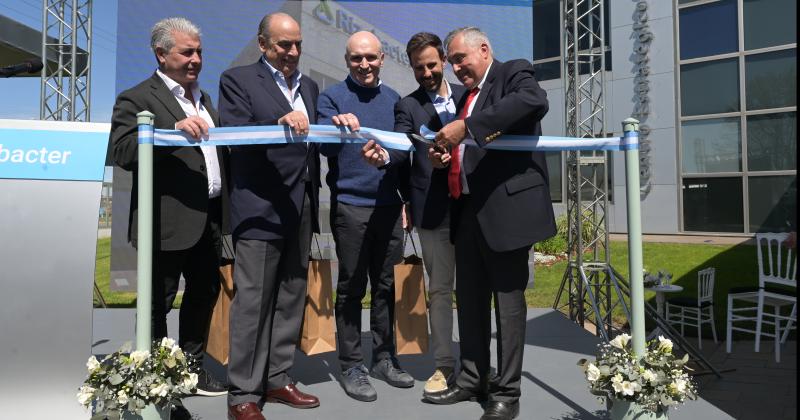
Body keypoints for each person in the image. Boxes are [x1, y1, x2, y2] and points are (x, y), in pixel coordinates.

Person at [423, 27, 556, 420]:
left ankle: (507, 394)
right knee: (471, 303)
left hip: (508, 215)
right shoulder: (465, 97)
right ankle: (471, 379)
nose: (456, 67)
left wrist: (465, 128)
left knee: (509, 309)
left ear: (484, 50)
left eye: (460, 58)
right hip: (467, 214)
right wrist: (443, 157)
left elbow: (533, 102)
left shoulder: (514, 73)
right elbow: (471, 151)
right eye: (453, 61)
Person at [109, 17, 229, 419]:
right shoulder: (137, 96)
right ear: (161, 54)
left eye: (199, 51)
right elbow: (123, 151)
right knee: (158, 305)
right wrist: (170, 129)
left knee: (204, 294)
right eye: (187, 52)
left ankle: (191, 368)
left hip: (209, 218)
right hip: (166, 222)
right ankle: (162, 381)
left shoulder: (206, 99)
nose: (196, 59)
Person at [217, 12, 321, 420]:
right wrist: (277, 122)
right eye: (283, 45)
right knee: (253, 303)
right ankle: (242, 392)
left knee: (292, 297)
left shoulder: (309, 86)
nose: (292, 52)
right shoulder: (238, 81)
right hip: (259, 209)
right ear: (263, 44)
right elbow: (237, 138)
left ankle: (277, 379)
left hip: (301, 208)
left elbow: (314, 143)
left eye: (297, 44)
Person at [317, 30, 413, 403]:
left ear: (381, 59)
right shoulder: (331, 98)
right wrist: (337, 129)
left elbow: (405, 152)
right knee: (352, 288)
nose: (364, 64)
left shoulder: (394, 100)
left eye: (371, 57)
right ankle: (352, 364)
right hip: (351, 207)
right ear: (347, 60)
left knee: (386, 286)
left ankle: (384, 358)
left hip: (389, 207)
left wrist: (390, 165)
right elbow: (321, 145)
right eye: (357, 58)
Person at [393, 32, 465, 397]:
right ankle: (443, 365)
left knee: (474, 288)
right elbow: (400, 154)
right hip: (433, 212)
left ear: (444, 62)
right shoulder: (407, 106)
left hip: (473, 210)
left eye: (432, 65)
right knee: (439, 290)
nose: (426, 72)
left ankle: (473, 363)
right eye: (419, 67)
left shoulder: (470, 96)